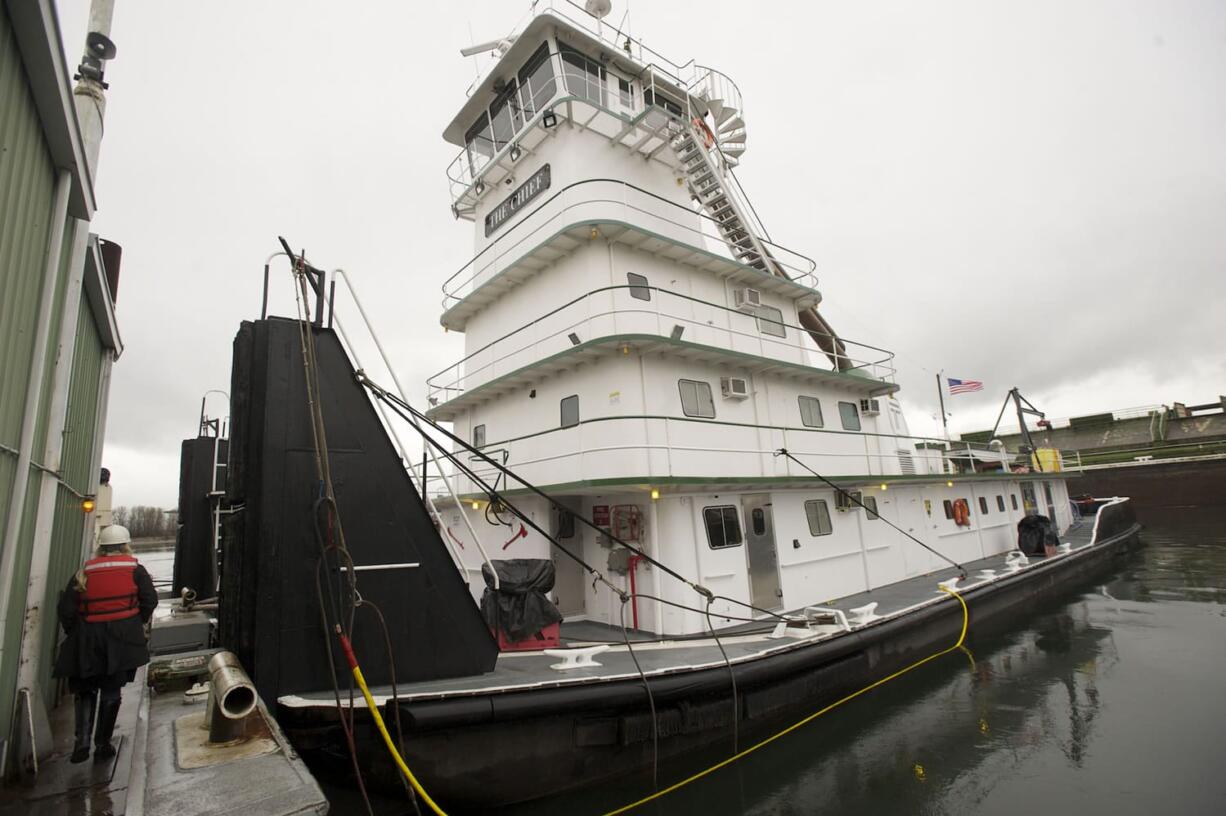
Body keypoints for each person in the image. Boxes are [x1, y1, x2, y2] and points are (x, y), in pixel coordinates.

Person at [53, 524, 157, 763]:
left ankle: (82, 741)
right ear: (125, 545)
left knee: (85, 688)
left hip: (87, 637)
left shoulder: (85, 571)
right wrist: (134, 623)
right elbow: (149, 599)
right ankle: (103, 743)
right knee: (111, 689)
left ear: (101, 547)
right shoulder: (134, 569)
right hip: (121, 638)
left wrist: (77, 632)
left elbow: (66, 609)